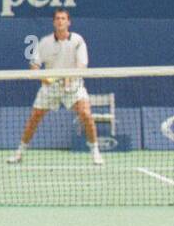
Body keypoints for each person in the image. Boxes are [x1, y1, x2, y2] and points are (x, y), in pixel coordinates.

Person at [7, 9, 103, 167]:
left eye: (63, 18)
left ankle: (95, 152)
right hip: (50, 87)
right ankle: (19, 152)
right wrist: (43, 78)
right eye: (57, 19)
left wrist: (69, 77)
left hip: (73, 86)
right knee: (34, 118)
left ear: (68, 22)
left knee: (86, 114)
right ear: (54, 22)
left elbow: (82, 65)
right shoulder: (44, 42)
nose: (60, 21)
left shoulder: (78, 40)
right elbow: (34, 65)